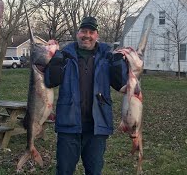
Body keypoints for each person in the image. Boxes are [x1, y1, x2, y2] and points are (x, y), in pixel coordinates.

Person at [44, 16, 128, 175]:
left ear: (97, 35)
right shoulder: (64, 56)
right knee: (64, 171)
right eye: (83, 31)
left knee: (94, 171)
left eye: (91, 32)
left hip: (97, 128)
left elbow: (121, 85)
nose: (87, 35)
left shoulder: (107, 56)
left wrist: (118, 61)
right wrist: (54, 58)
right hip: (68, 126)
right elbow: (50, 81)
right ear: (78, 33)